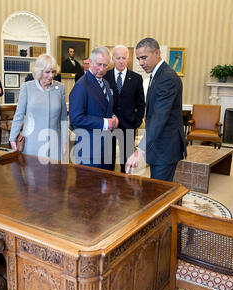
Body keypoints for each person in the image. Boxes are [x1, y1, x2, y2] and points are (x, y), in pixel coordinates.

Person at [125, 38, 186, 182]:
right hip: (158, 145)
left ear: (157, 53)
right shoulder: (157, 75)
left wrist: (139, 150)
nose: (140, 63)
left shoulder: (167, 78)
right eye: (139, 58)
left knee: (159, 194)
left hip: (166, 146)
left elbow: (159, 116)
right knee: (157, 189)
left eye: (144, 58)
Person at [9, 54, 67, 162]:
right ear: (40, 71)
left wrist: (64, 141)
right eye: (47, 72)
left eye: (53, 72)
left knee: (54, 176)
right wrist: (12, 138)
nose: (51, 75)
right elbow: (19, 115)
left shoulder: (60, 88)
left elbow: (63, 118)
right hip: (32, 141)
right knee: (32, 175)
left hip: (54, 140)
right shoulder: (27, 87)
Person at [69, 46, 118, 170]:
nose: (102, 69)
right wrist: (106, 123)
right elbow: (76, 119)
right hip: (88, 149)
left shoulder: (105, 83)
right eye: (99, 64)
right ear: (90, 62)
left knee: (105, 186)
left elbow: (104, 108)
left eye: (105, 65)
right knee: (88, 188)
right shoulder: (81, 85)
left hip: (105, 147)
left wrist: (113, 117)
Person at [104, 45, 145, 173]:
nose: (121, 61)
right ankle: (108, 187)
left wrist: (137, 121)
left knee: (126, 162)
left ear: (128, 59)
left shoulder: (136, 78)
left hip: (129, 125)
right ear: (113, 59)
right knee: (108, 160)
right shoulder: (105, 76)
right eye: (118, 58)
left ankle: (125, 188)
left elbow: (141, 103)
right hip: (109, 126)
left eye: (123, 58)